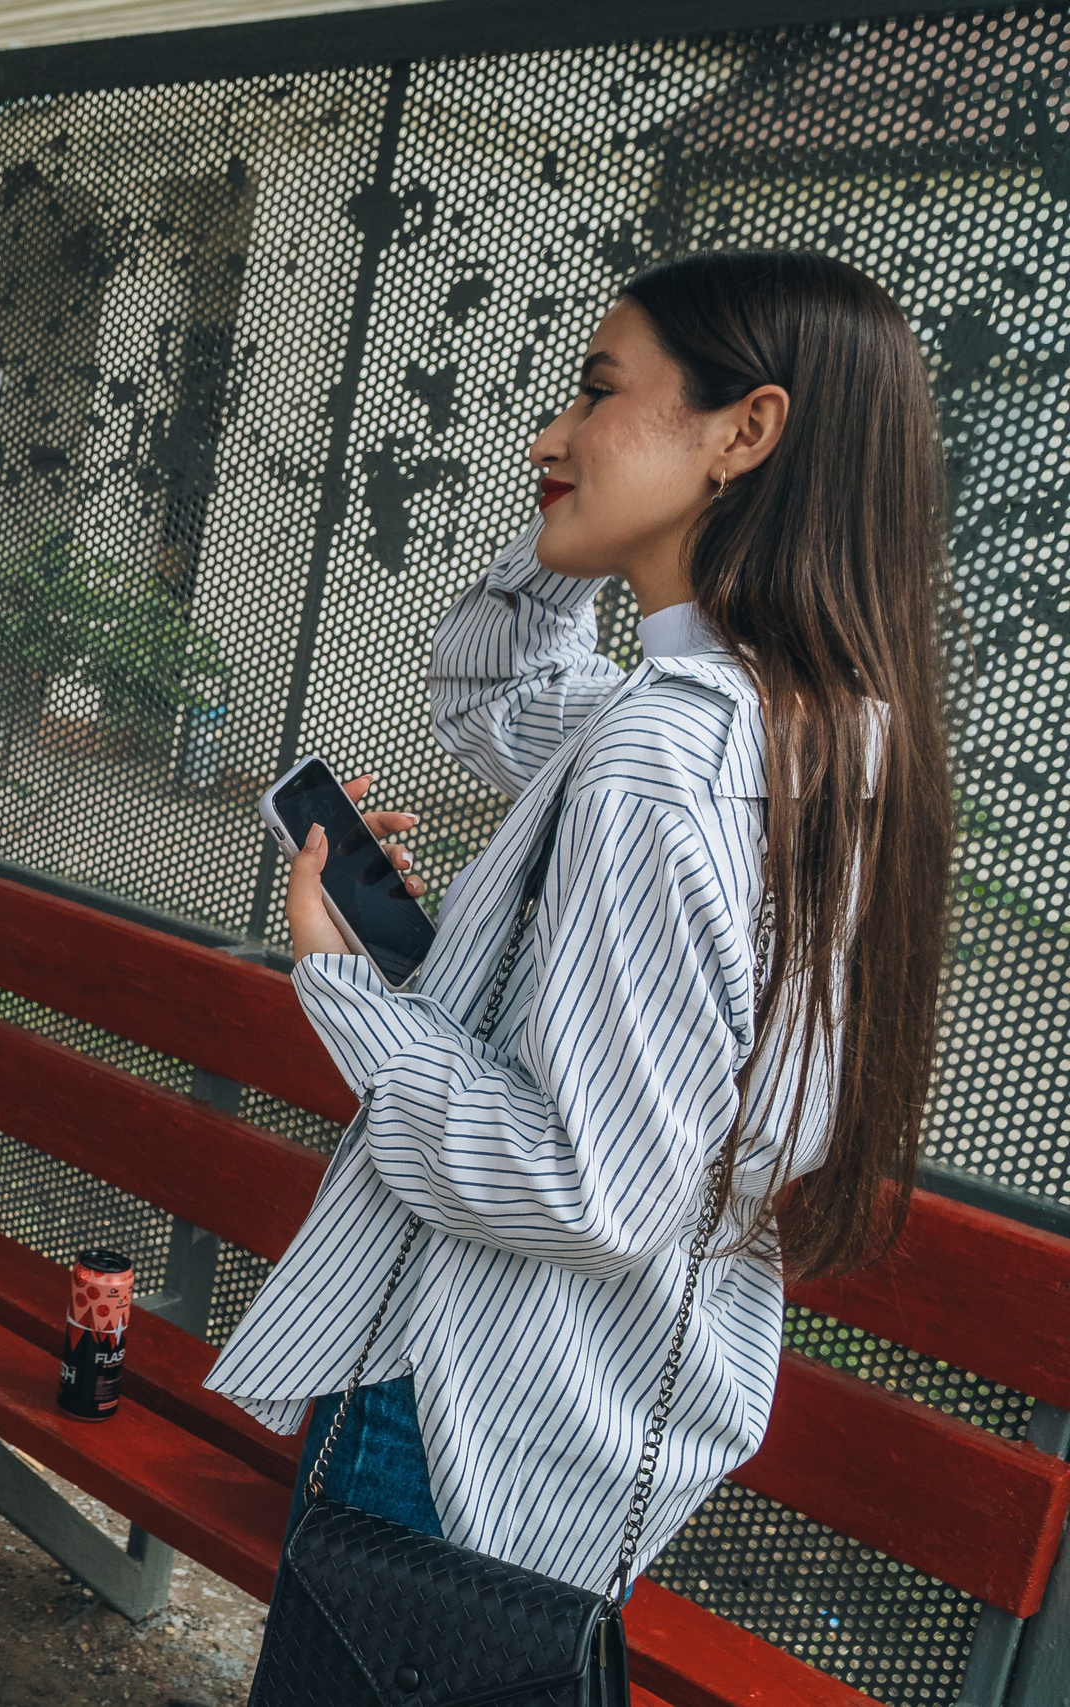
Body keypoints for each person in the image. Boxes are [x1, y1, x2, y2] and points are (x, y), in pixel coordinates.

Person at [207, 251, 954, 1596]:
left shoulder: (660, 753)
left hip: (456, 1410)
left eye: (599, 391)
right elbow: (495, 692)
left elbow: (586, 1185)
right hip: (601, 1413)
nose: (550, 433)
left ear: (749, 429)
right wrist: (585, 528)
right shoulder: (826, 726)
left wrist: (348, 987)